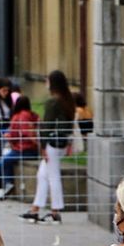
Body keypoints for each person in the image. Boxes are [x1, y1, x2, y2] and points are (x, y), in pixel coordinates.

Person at [23, 69, 75, 224]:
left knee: (53, 176)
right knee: (42, 174)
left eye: (47, 80)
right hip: (62, 142)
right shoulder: (68, 100)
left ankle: (55, 211)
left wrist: (43, 146)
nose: (46, 83)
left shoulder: (53, 102)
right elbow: (70, 124)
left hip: (51, 143)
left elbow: (46, 126)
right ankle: (35, 208)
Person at [0, 95, 39, 200]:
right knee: (7, 162)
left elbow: (19, 133)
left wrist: (8, 136)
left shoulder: (19, 116)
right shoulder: (33, 115)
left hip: (22, 149)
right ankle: (8, 183)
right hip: (31, 149)